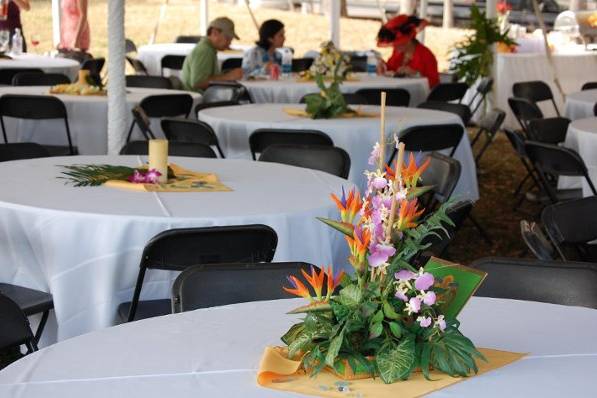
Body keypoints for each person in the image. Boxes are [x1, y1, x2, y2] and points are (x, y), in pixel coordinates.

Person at [181, 17, 243, 92]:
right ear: (214, 33)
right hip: (200, 99)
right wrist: (228, 76)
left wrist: (225, 75)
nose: (229, 42)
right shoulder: (205, 51)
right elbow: (198, 82)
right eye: (227, 38)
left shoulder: (207, 49)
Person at [376, 15, 439, 88]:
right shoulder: (398, 52)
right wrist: (383, 66)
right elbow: (391, 69)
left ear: (408, 40)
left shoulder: (426, 55)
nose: (394, 46)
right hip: (400, 93)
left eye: (398, 43)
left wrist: (416, 74)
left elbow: (434, 82)